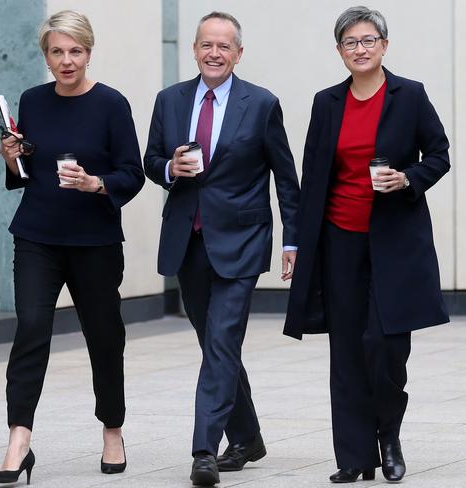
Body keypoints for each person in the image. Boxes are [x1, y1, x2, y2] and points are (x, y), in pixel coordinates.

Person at [284, 6, 450, 484]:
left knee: (386, 346)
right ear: (340, 51)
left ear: (384, 45)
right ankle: (355, 456)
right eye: (350, 42)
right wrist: (297, 240)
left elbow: (438, 154)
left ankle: (389, 435)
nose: (360, 49)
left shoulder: (410, 96)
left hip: (395, 240)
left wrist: (409, 178)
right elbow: (311, 173)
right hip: (339, 239)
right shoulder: (326, 102)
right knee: (347, 350)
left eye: (368, 40)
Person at [143, 11, 299, 487]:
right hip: (187, 240)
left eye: (224, 46)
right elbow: (150, 160)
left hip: (242, 240)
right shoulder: (169, 101)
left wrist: (292, 240)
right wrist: (170, 169)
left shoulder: (262, 103)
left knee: (222, 340)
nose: (215, 53)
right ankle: (248, 435)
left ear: (238, 53)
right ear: (194, 49)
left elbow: (286, 178)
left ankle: (204, 449)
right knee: (216, 344)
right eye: (207, 45)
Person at [0, 10, 144, 485]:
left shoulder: (112, 104)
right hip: (37, 234)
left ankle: (112, 429)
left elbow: (132, 174)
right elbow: (23, 177)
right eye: (57, 52)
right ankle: (19, 437)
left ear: (88, 51)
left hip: (94, 240)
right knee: (32, 328)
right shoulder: (32, 101)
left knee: (104, 336)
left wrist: (96, 183)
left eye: (75, 51)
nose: (66, 60)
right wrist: (12, 158)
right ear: (46, 56)